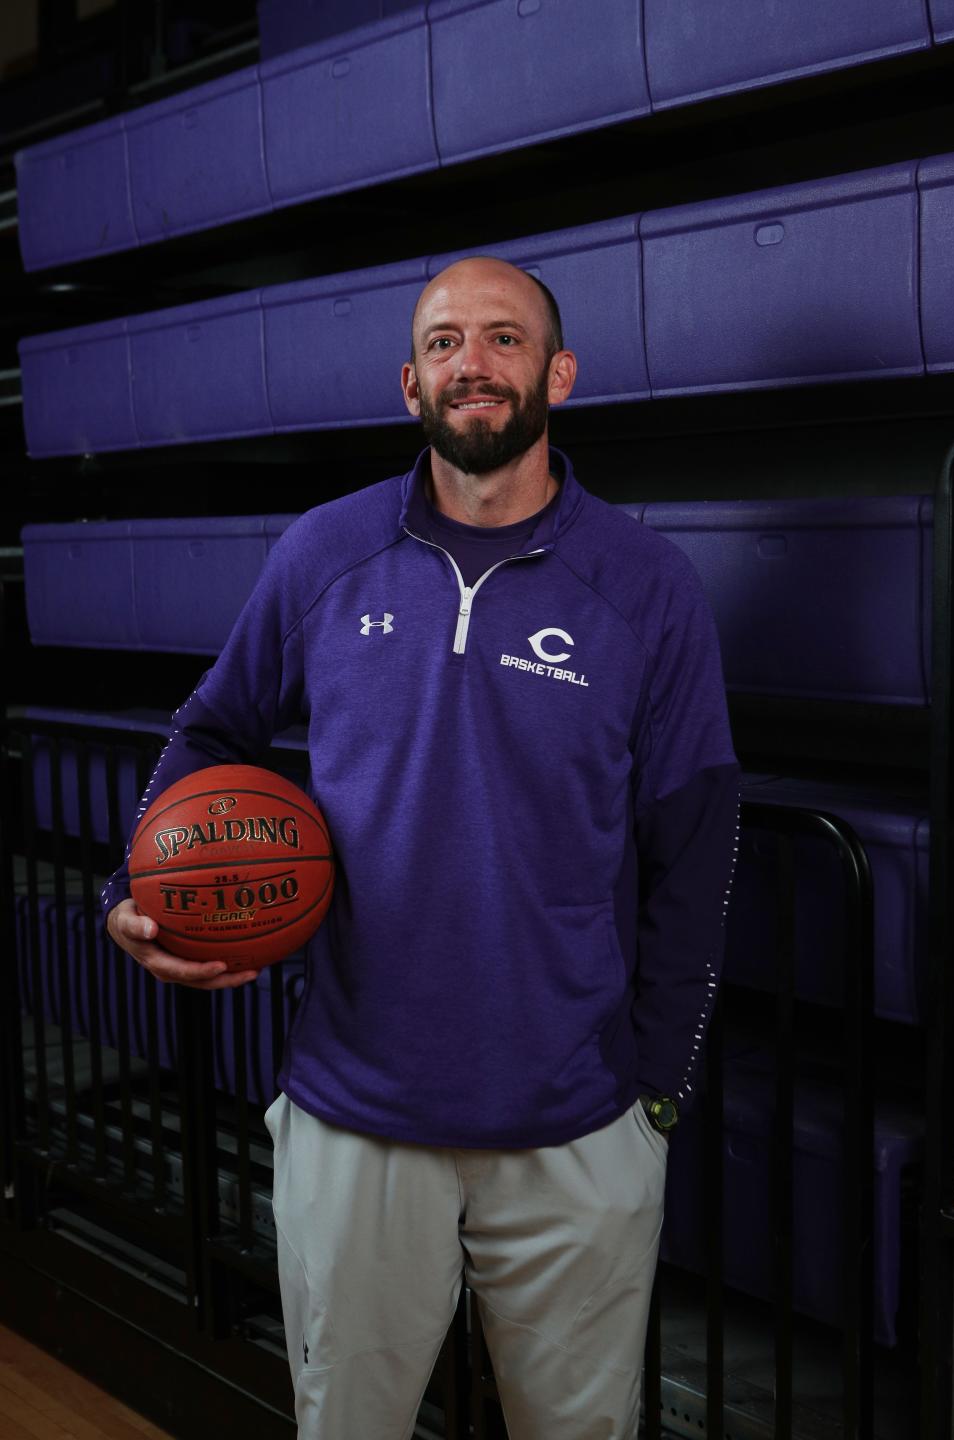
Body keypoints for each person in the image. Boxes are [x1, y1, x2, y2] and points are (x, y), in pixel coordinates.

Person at [104, 257, 740, 1439]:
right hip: (355, 1109)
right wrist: (132, 887)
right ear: (411, 382)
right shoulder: (322, 555)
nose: (472, 365)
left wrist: (657, 1086)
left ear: (559, 373)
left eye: (504, 340)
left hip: (576, 1122)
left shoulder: (646, 584)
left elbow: (696, 842)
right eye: (445, 343)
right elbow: (211, 730)